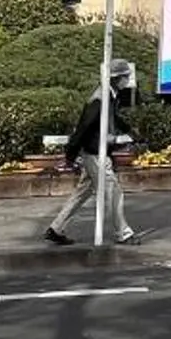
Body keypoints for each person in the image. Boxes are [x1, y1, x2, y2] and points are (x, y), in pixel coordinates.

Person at [45, 59, 138, 246]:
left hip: (96, 153)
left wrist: (131, 131)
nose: (127, 80)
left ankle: (56, 228)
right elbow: (84, 126)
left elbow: (113, 118)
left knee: (82, 193)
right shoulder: (99, 99)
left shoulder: (110, 95)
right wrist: (70, 153)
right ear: (116, 78)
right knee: (114, 192)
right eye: (125, 77)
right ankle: (123, 233)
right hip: (96, 154)